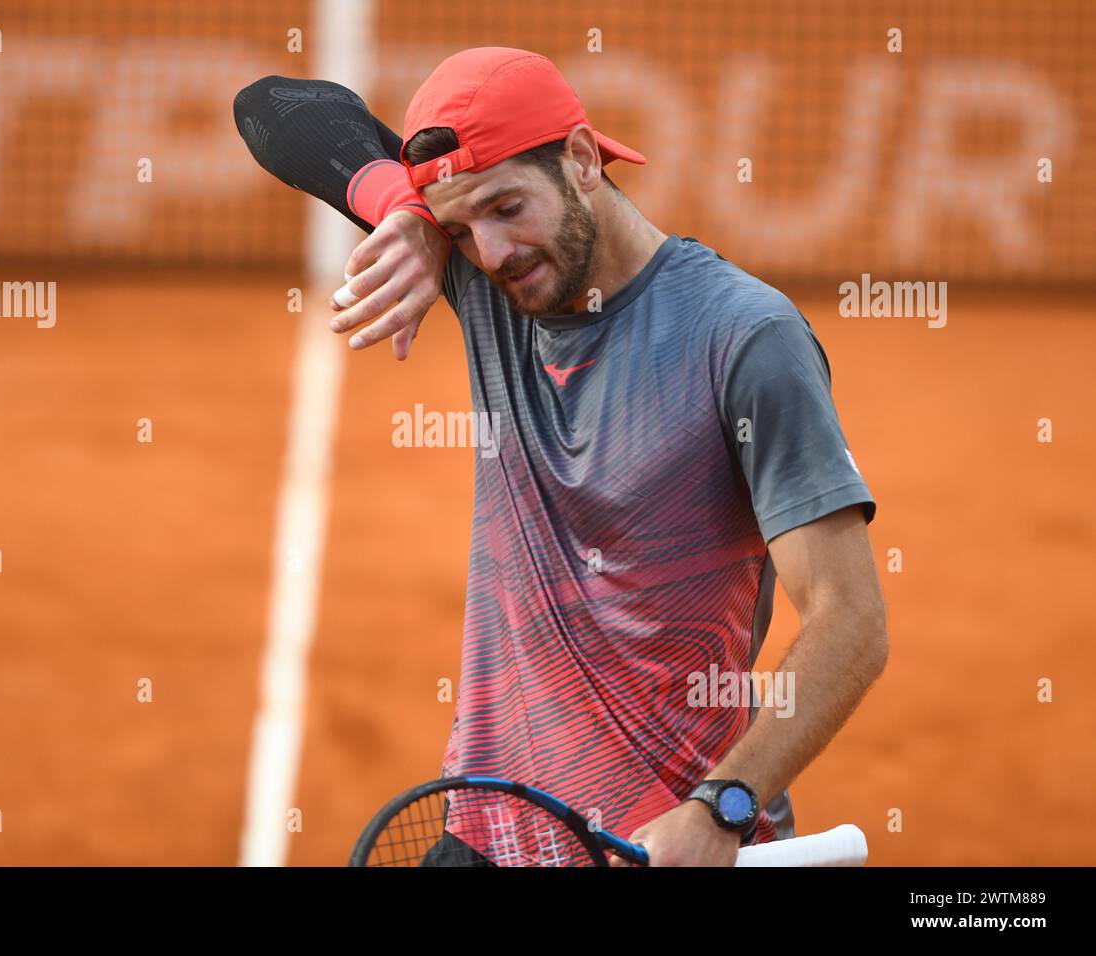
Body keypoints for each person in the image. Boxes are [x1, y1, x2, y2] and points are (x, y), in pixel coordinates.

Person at [234, 47, 887, 866]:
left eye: (509, 207)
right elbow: (271, 106)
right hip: (487, 831)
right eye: (465, 228)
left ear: (581, 158)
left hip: (662, 837)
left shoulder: (745, 338)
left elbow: (850, 622)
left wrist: (721, 809)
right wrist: (410, 213)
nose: (495, 250)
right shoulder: (486, 279)